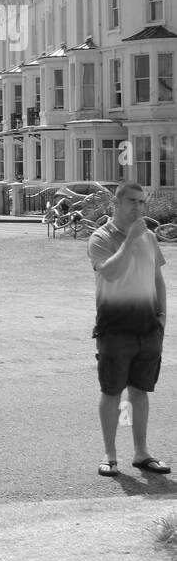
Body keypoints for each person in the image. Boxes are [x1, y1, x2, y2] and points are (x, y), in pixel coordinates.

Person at [89, 182, 170, 476]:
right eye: (132, 202)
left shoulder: (149, 237)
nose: (138, 208)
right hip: (115, 329)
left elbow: (158, 280)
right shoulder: (100, 237)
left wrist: (162, 320)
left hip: (148, 329)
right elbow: (110, 272)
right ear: (117, 203)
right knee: (112, 391)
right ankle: (110, 455)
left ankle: (142, 452)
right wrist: (130, 239)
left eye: (142, 203)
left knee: (141, 391)